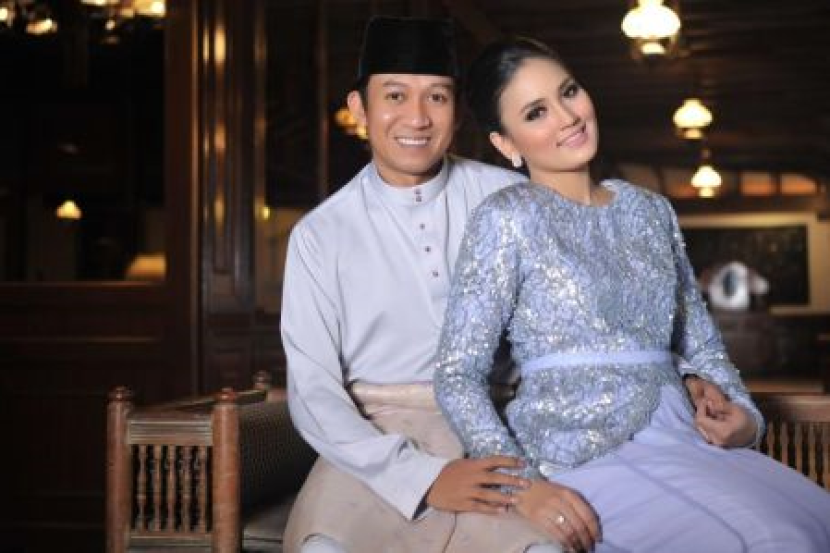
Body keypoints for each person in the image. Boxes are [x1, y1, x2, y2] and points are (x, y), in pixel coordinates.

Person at [282, 17, 731, 553]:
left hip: (505, 427)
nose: (417, 117)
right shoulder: (320, 235)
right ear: (359, 108)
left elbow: (601, 306)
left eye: (437, 97)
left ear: (458, 112)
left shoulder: (513, 198)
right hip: (375, 443)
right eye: (395, 95)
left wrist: (681, 372)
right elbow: (313, 392)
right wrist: (420, 477)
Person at [434, 36, 830, 553]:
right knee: (775, 541)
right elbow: (457, 374)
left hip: (683, 436)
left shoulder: (651, 210)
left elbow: (702, 343)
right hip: (579, 454)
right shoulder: (506, 218)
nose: (568, 117)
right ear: (507, 143)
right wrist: (523, 487)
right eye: (536, 112)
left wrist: (746, 417)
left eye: (568, 92)